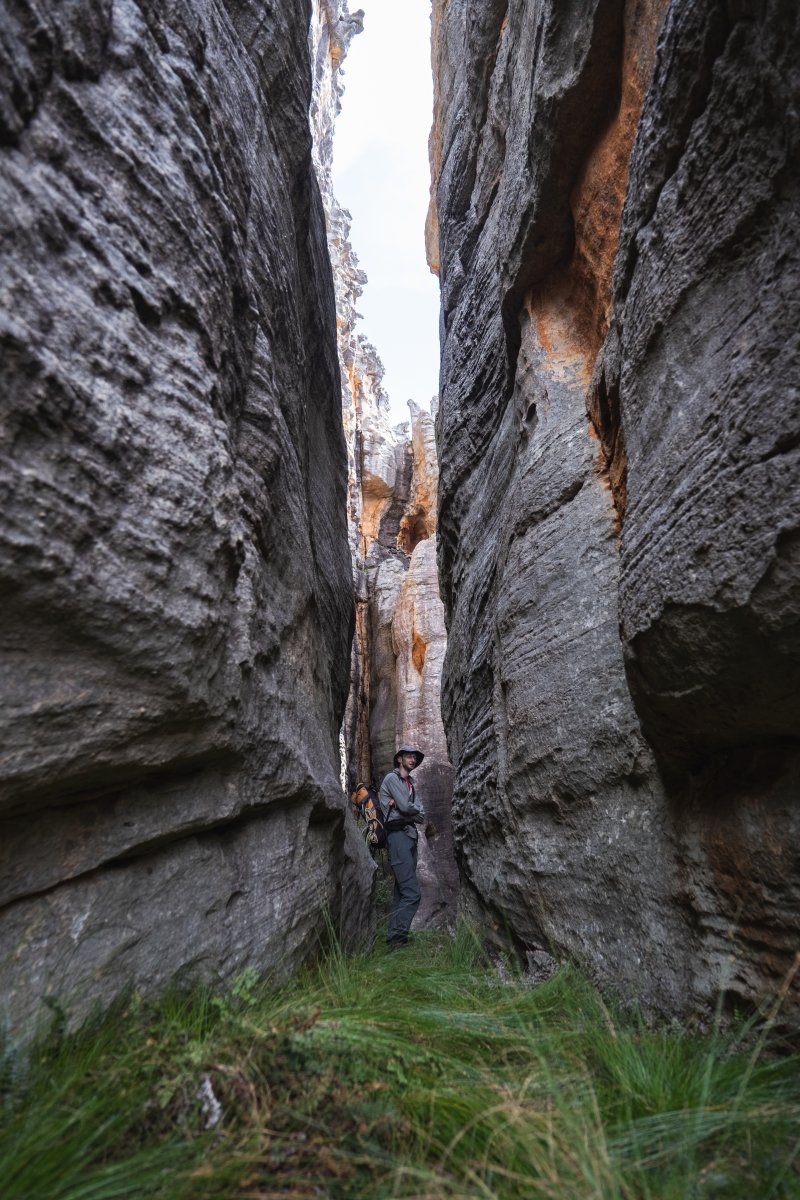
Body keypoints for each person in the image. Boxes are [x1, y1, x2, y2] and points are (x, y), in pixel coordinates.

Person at [379, 744, 426, 948]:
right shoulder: (392, 779)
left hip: (410, 836)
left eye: (414, 757)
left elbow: (421, 816)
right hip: (397, 837)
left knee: (401, 892)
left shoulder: (410, 785)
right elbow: (409, 808)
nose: (412, 760)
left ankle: (393, 942)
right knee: (412, 892)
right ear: (400, 759)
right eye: (409, 757)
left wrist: (407, 808)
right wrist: (407, 808)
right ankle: (400, 937)